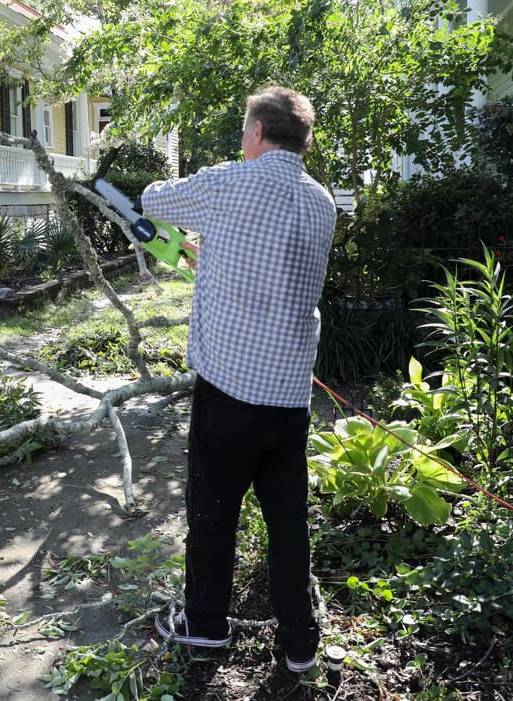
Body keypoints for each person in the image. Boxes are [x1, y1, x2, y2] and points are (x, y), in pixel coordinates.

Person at [140, 86, 335, 673]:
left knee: (213, 512)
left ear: (256, 132)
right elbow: (270, 265)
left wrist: (212, 211)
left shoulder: (233, 182)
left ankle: (205, 631)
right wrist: (212, 249)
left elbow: (153, 199)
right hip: (290, 394)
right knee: (287, 521)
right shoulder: (321, 200)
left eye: (243, 128)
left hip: (229, 389)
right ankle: (299, 644)